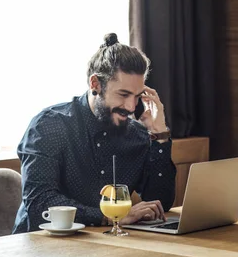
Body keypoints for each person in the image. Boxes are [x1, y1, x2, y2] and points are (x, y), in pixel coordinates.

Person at [12, 33, 176, 233]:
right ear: (95, 84)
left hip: (109, 249)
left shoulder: (138, 135)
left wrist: (159, 134)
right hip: (43, 246)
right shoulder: (48, 126)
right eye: (123, 94)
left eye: (137, 96)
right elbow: (40, 203)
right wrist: (108, 218)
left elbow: (161, 202)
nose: (131, 107)